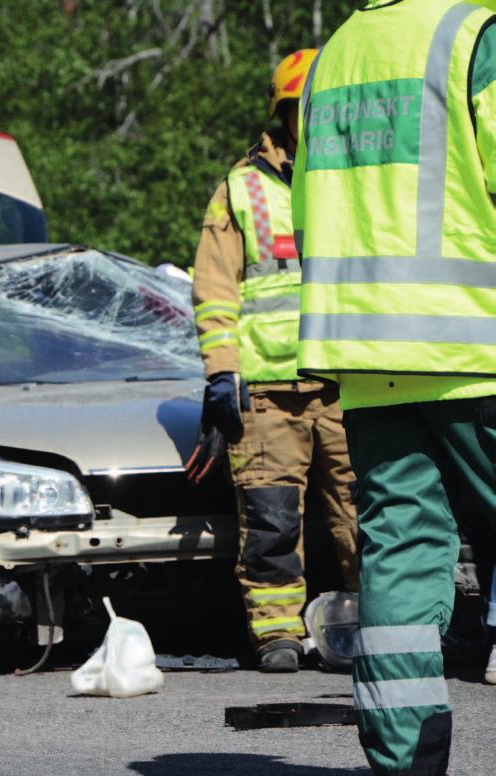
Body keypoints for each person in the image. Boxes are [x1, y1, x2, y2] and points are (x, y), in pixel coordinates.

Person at [292, 1, 496, 773]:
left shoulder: (337, 51)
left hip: (372, 353)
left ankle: (405, 757)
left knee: (401, 558)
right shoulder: (472, 36)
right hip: (474, 339)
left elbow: (312, 209)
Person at [185, 49, 359, 673]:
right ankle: (278, 633)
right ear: (283, 114)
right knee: (271, 518)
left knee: (363, 512)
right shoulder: (240, 190)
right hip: (266, 390)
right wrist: (221, 371)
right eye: (300, 110)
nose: (311, 121)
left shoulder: (354, 179)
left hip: (347, 381)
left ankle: (386, 627)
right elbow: (214, 290)